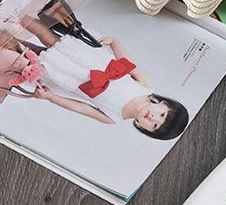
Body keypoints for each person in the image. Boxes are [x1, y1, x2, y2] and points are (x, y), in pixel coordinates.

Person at [0, 16, 188, 140]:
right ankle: (16, 16)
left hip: (69, 78)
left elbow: (80, 107)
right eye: (161, 115)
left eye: (154, 126)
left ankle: (4, 36)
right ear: (164, 104)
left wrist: (51, 97)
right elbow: (127, 63)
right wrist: (115, 43)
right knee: (48, 37)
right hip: (87, 59)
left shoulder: (114, 118)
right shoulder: (145, 86)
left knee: (28, 57)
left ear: (146, 130)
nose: (153, 118)